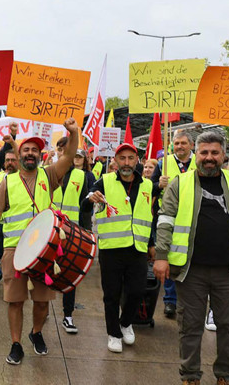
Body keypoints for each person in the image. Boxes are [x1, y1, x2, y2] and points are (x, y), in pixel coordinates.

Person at [153, 130, 229, 385]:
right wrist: (161, 255)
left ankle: (227, 376)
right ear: (196, 154)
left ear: (223, 155)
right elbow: (165, 221)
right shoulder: (180, 183)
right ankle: (190, 376)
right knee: (190, 326)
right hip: (191, 271)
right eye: (204, 152)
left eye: (215, 153)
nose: (209, 157)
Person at [0, 118, 80, 366]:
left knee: (43, 301)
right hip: (14, 250)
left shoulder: (49, 175)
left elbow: (70, 154)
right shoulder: (7, 182)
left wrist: (73, 132)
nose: (30, 153)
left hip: (45, 250)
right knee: (15, 300)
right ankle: (16, 343)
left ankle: (36, 333)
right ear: (18, 154)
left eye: (35, 150)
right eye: (26, 150)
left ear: (40, 155)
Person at [83, 142, 159, 352]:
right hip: (112, 249)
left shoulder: (147, 185)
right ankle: (113, 333)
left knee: (136, 291)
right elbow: (86, 201)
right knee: (112, 294)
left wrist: (151, 244)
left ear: (137, 161)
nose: (126, 163)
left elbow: (148, 217)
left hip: (138, 249)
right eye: (122, 158)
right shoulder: (104, 182)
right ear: (115, 161)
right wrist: (91, 198)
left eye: (130, 158)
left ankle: (125, 322)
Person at [152, 131, 196, 319]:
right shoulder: (163, 163)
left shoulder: (200, 162)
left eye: (183, 143)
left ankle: (190, 299)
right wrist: (157, 184)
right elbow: (149, 186)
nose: (179, 146)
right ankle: (170, 300)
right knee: (169, 256)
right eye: (176, 143)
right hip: (169, 218)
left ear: (191, 145)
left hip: (193, 217)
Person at [53, 148, 95, 334]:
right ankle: (43, 310)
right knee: (45, 271)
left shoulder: (82, 175)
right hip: (50, 229)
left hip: (71, 232)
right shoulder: (49, 171)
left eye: (76, 156)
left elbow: (84, 207)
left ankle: (68, 315)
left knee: (70, 273)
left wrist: (85, 234)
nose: (71, 158)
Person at [0, 149, 20, 293]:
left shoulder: (24, 178)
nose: (10, 163)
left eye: (13, 160)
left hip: (15, 226)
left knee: (10, 257)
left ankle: (14, 286)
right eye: (7, 160)